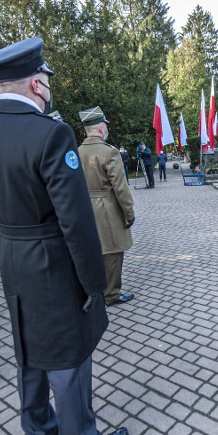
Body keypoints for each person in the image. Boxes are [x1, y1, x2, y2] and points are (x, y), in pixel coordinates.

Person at [0, 38, 126, 435]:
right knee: (68, 356)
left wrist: (6, 256)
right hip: (53, 260)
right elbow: (74, 220)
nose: (49, 87)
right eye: (47, 80)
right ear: (37, 84)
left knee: (29, 349)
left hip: (15, 259)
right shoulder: (50, 133)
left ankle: (38, 432)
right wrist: (92, 281)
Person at [78, 106, 136, 306]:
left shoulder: (76, 152)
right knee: (112, 252)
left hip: (85, 207)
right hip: (107, 208)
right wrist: (129, 213)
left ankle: (95, 291)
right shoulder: (109, 152)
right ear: (102, 128)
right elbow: (121, 188)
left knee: (94, 251)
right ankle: (110, 294)